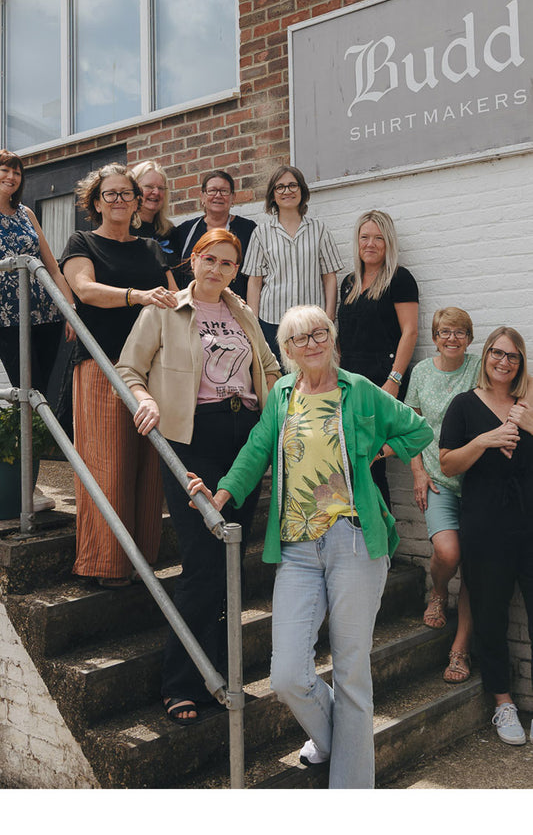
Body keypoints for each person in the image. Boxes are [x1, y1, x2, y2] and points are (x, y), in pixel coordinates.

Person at [188, 304, 432, 788]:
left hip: (355, 542)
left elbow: (417, 430)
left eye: (320, 333)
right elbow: (258, 448)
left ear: (332, 337)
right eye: (300, 339)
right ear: (288, 350)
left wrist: (373, 451)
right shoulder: (281, 393)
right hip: (298, 548)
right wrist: (219, 495)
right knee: (286, 676)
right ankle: (333, 740)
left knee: (351, 673)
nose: (312, 344)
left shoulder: (358, 389)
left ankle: (351, 791)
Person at [115, 228, 281, 725]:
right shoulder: (165, 308)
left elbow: (269, 369)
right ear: (194, 260)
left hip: (245, 439)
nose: (218, 269)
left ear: (236, 270)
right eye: (210, 259)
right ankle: (182, 682)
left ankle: (222, 677)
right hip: (192, 439)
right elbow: (128, 368)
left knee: (233, 563)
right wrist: (145, 399)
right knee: (203, 563)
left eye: (229, 263)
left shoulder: (243, 314)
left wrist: (275, 415)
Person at [60, 163, 177, 588]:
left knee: (148, 469)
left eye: (126, 193)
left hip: (149, 370)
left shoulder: (149, 248)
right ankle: (105, 565)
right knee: (108, 466)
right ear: (96, 202)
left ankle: (142, 561)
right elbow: (85, 290)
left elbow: (175, 298)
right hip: (102, 364)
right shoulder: (82, 242)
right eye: (110, 194)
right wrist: (137, 296)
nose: (120, 201)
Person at [439, 327, 533, 746]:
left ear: (521, 363)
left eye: (513, 356)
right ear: (486, 356)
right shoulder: (464, 405)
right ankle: (503, 702)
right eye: (498, 353)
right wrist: (485, 440)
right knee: (491, 618)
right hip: (485, 528)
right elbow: (447, 464)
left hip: (529, 526)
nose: (504, 361)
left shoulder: (527, 406)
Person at [405, 306, 480, 683]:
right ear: (435, 337)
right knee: (448, 552)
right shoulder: (420, 372)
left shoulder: (481, 366)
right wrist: (417, 471)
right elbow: (411, 427)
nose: (453, 338)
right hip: (438, 480)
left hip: (481, 484)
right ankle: (438, 591)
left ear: (469, 338)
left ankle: (460, 651)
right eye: (445, 332)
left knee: (476, 569)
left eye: (460, 332)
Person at [0, 150, 76, 512]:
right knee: (23, 397)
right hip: (8, 321)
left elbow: (52, 264)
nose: (11, 176)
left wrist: (70, 308)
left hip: (46, 317)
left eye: (16, 171)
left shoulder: (27, 214)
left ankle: (32, 485)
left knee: (41, 397)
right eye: (4, 170)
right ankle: (23, 488)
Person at [337, 209, 419, 511]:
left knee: (371, 462)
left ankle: (382, 546)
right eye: (364, 237)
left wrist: (394, 381)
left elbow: (410, 332)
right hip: (349, 382)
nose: (370, 244)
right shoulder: (349, 282)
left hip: (382, 380)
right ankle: (356, 536)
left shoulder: (399, 278)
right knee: (351, 462)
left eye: (378, 238)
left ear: (388, 243)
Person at [242, 165, 342, 360]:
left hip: (313, 323)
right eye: (280, 187)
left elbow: (329, 277)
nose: (287, 191)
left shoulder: (318, 229)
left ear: (302, 191)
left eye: (292, 185)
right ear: (273, 195)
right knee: (278, 378)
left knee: (313, 377)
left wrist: (329, 317)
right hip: (272, 322)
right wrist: (254, 324)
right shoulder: (261, 233)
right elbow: (254, 282)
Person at [174, 169, 256, 299]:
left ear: (233, 197)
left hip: (234, 308)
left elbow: (255, 276)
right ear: (202, 196)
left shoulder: (248, 229)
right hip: (193, 308)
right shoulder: (185, 230)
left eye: (224, 191)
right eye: (212, 191)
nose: (218, 195)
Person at [130, 160, 181, 271]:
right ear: (133, 189)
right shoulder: (123, 229)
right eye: (149, 187)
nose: (156, 192)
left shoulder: (171, 232)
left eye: (161, 188)